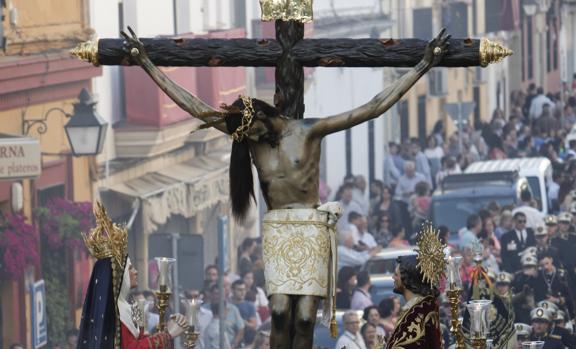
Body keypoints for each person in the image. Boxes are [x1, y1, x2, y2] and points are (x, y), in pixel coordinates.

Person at [123, 26, 450, 348]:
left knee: (306, 316)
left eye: (254, 134)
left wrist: (422, 65)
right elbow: (194, 107)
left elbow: (374, 106)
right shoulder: (249, 137)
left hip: (310, 225)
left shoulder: (308, 131)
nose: (252, 143)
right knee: (279, 312)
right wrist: (148, 64)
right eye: (246, 140)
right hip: (279, 227)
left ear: (262, 116)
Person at [78, 203, 187, 348]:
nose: (135, 272)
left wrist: (163, 330)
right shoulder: (112, 311)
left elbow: (139, 339)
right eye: (130, 268)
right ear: (117, 276)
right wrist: (167, 335)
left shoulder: (125, 306)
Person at [385, 251, 442, 348]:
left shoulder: (418, 312)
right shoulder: (421, 307)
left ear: (406, 278)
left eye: (396, 275)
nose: (393, 277)